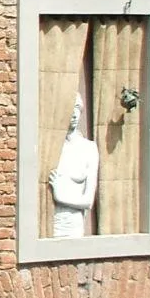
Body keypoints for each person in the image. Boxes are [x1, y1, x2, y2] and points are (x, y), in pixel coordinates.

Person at [49, 93, 98, 238]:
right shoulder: (51, 148)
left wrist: (60, 196)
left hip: (74, 228)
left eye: (77, 107)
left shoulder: (89, 148)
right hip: (52, 225)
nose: (74, 113)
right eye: (70, 107)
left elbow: (88, 201)